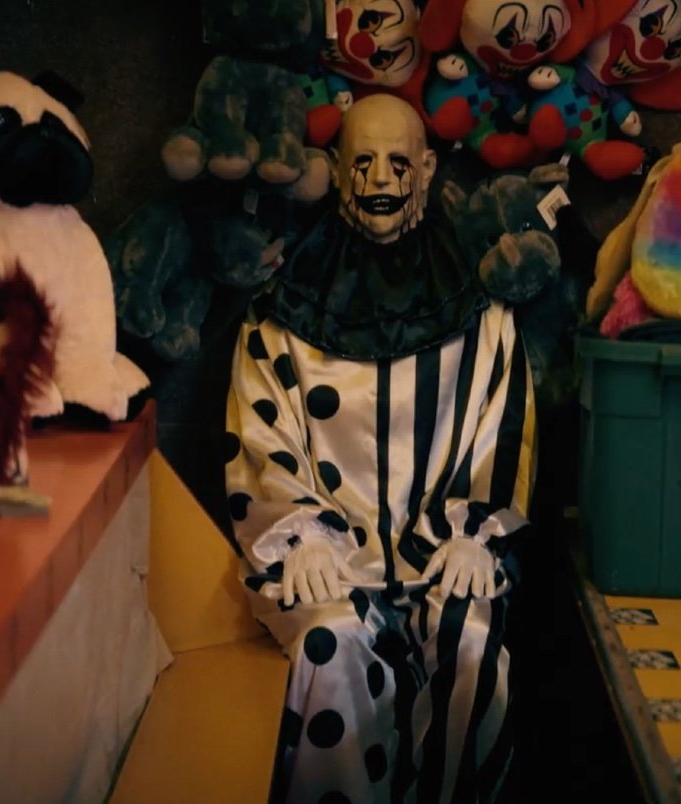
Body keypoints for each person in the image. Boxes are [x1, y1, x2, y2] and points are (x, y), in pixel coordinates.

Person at [224, 94, 536, 804]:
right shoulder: (282, 308)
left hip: (440, 556)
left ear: (426, 170)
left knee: (471, 642)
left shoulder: (480, 307)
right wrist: (298, 534)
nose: (380, 180)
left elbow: (504, 422)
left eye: (398, 162)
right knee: (326, 642)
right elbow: (260, 429)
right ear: (336, 172)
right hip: (331, 562)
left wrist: (478, 532)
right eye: (361, 162)